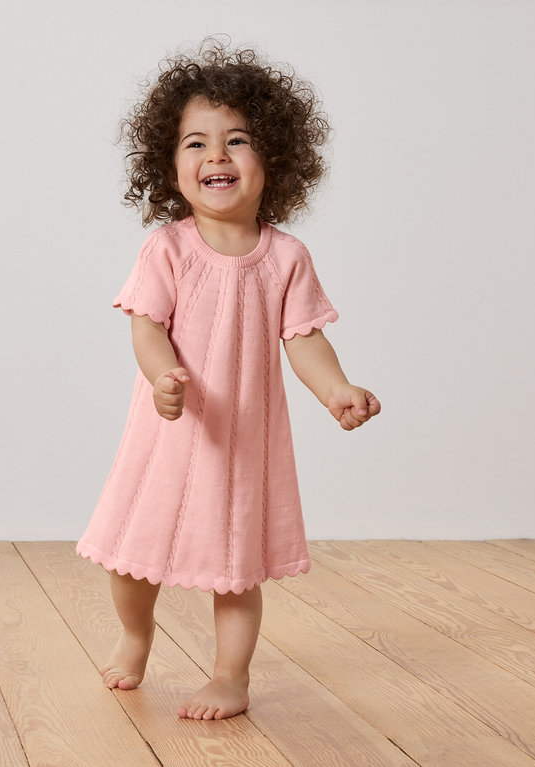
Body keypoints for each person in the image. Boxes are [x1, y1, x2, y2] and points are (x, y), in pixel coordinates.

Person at [76, 40, 381, 721]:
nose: (216, 156)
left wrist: (337, 390)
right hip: (169, 437)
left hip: (241, 444)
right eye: (195, 143)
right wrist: (163, 378)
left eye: (236, 140)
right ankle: (135, 633)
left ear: (274, 157)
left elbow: (304, 339)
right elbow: (146, 328)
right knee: (130, 557)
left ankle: (230, 675)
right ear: (170, 165)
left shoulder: (285, 257)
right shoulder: (169, 247)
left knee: (236, 570)